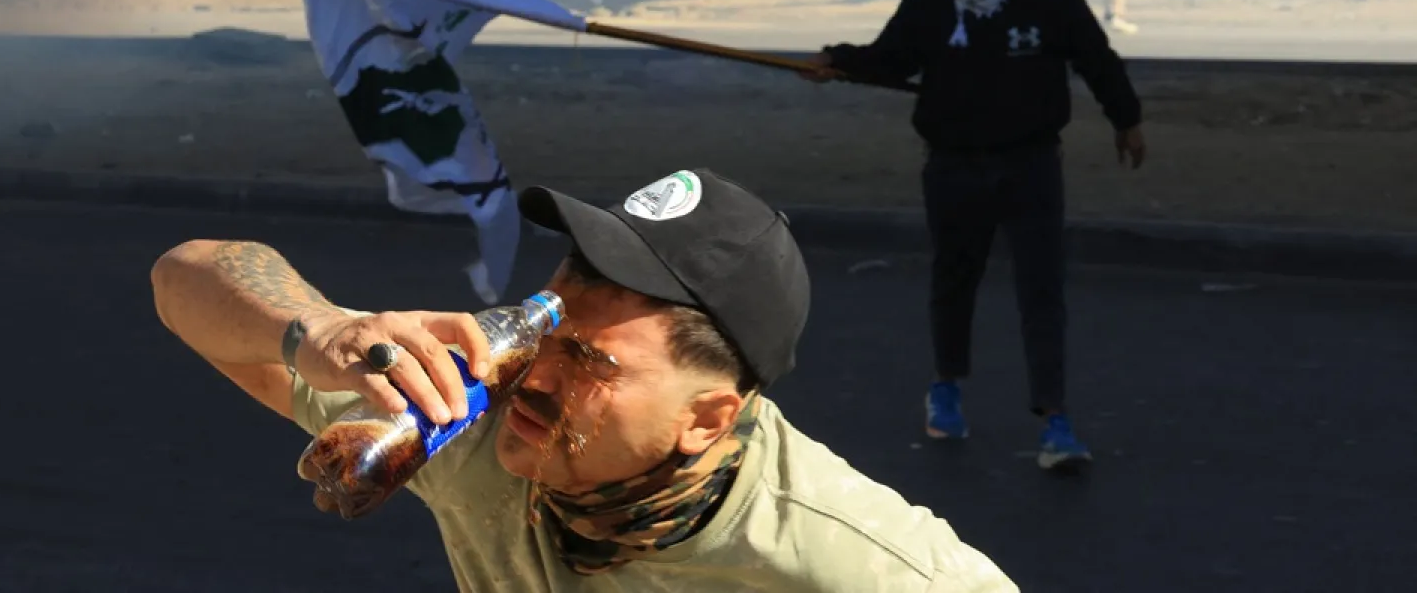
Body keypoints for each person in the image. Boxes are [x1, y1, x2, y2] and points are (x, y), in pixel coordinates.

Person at [152, 168, 1021, 591]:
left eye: (589, 361)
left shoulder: (851, 561)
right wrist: (317, 330)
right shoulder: (476, 422)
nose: (531, 372)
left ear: (707, 417)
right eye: (545, 322)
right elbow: (185, 277)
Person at [804, 0, 1145, 474]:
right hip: (954, 166)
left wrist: (1127, 118)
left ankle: (1055, 419)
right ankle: (947, 387)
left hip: (1031, 165)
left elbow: (1096, 59)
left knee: (1042, 291)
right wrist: (838, 61)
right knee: (954, 280)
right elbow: (892, 59)